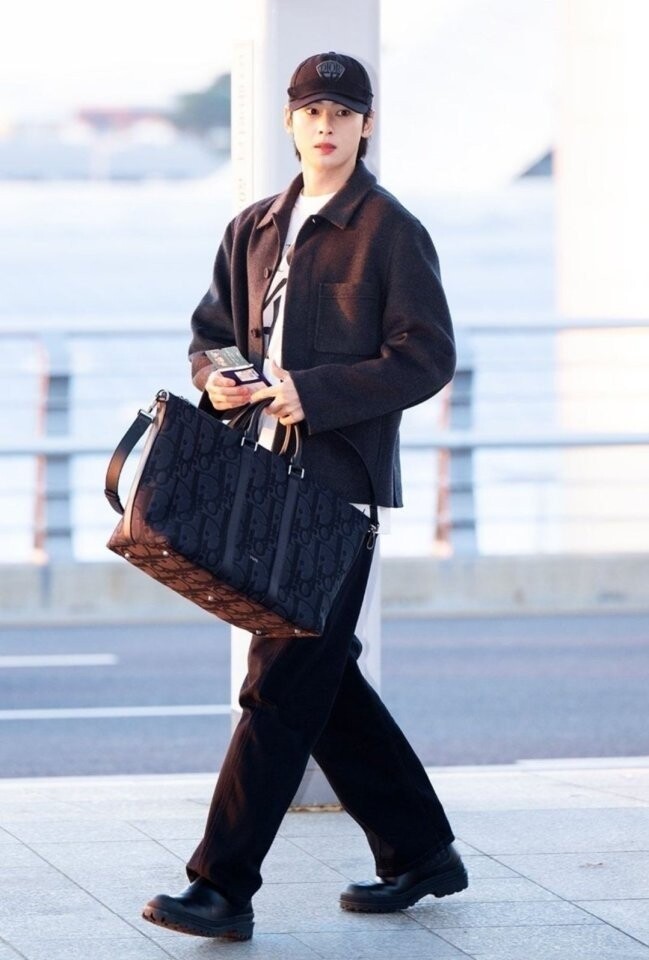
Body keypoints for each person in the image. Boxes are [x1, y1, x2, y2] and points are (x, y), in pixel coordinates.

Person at [142, 50, 467, 941]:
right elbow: (212, 333)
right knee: (321, 679)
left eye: (342, 112)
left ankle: (221, 886)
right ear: (289, 122)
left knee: (279, 685)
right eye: (312, 111)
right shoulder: (253, 226)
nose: (326, 126)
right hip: (257, 483)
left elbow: (425, 356)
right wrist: (218, 381)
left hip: (336, 495)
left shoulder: (390, 231)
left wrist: (313, 395)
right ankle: (419, 850)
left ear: (366, 126)